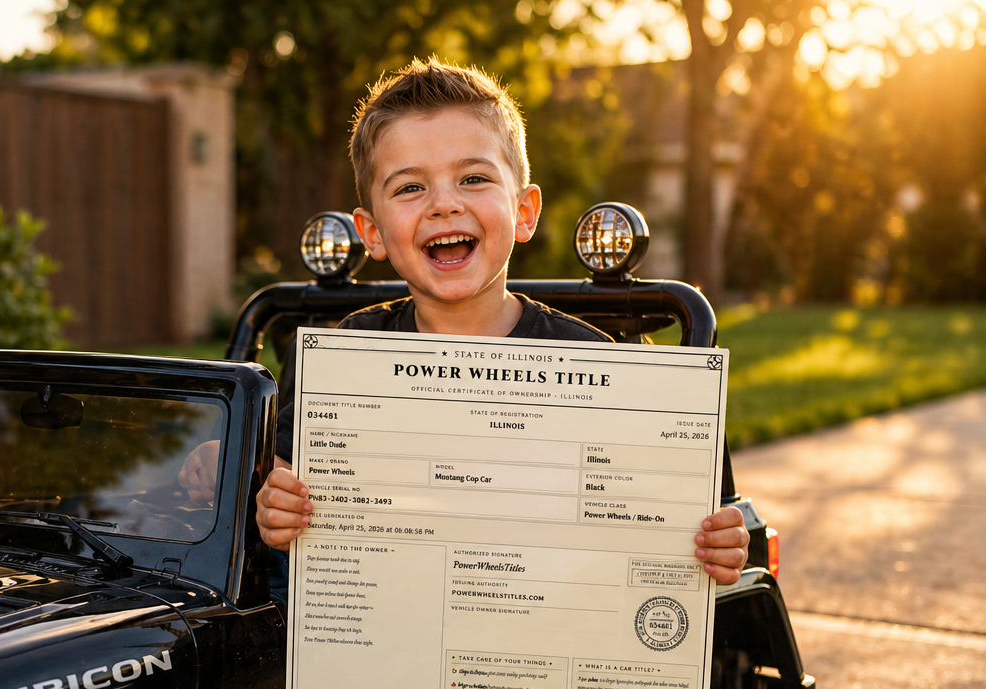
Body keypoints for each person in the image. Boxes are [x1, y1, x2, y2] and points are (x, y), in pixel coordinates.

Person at [254, 58, 749, 580]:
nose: (444, 205)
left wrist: (712, 543)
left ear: (525, 212)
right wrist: (278, 508)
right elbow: (288, 484)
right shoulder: (343, 358)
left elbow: (666, 512)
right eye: (409, 188)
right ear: (372, 232)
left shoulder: (602, 365)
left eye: (473, 178)